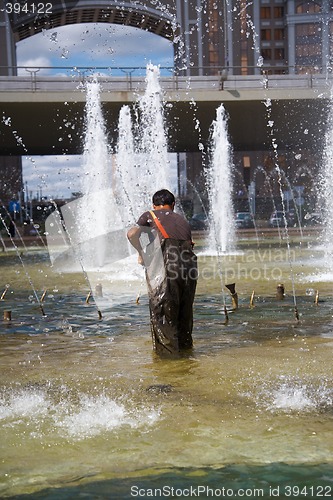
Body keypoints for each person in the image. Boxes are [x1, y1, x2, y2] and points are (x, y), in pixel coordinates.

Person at [127, 189, 197, 356]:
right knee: (184, 314)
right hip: (190, 271)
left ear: (154, 205)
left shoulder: (149, 214)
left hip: (166, 268)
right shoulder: (182, 220)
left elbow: (131, 234)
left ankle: (168, 364)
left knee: (163, 314)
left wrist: (140, 252)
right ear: (173, 205)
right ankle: (187, 356)